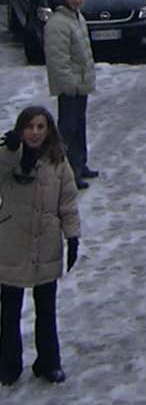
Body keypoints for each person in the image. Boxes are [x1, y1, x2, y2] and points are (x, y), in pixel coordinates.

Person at [0, 106, 81, 384]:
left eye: (40, 127)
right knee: (9, 310)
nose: (34, 132)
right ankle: (8, 363)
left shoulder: (58, 162)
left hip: (46, 245)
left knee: (46, 308)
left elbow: (68, 203)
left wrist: (72, 237)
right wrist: (11, 150)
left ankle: (48, 361)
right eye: (29, 127)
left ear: (49, 131)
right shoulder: (10, 158)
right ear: (21, 129)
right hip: (11, 243)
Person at [43, 0, 97, 191]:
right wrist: (71, 84)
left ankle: (79, 165)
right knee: (67, 130)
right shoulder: (59, 23)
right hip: (70, 86)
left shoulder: (76, 17)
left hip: (79, 84)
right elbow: (58, 60)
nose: (77, 0)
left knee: (79, 127)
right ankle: (65, 173)